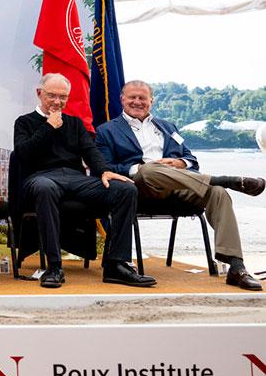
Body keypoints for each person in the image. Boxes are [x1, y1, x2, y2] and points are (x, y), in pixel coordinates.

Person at [96, 80, 264, 291]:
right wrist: (138, 168)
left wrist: (180, 163)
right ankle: (226, 180)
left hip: (178, 186)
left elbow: (191, 159)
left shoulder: (167, 127)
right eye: (132, 97)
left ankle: (235, 266)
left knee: (217, 193)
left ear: (151, 101)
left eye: (143, 98)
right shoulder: (106, 131)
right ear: (122, 99)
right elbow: (106, 168)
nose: (137, 102)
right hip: (139, 189)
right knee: (148, 169)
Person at [13, 73, 154, 289]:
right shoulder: (24, 122)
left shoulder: (75, 123)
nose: (57, 102)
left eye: (63, 97)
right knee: (45, 187)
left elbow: (91, 151)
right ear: (39, 93)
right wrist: (48, 127)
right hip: (41, 177)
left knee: (125, 189)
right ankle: (54, 266)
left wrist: (105, 171)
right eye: (51, 96)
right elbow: (23, 155)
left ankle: (116, 264)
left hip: (75, 179)